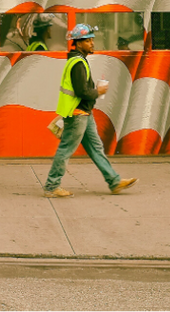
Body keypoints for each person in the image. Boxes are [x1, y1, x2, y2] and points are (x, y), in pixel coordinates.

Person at [43, 23, 137, 198]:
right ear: (78, 43)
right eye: (88, 41)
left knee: (96, 149)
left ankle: (114, 181)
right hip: (77, 114)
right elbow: (81, 92)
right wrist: (98, 92)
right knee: (65, 150)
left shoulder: (78, 60)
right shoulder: (77, 63)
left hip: (84, 114)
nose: (92, 43)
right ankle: (51, 186)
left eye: (92, 40)